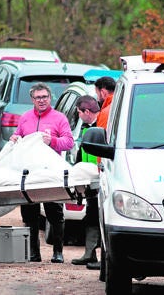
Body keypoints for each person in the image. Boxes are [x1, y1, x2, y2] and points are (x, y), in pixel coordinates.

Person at [9, 82, 73, 263]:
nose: (42, 100)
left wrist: (51, 141)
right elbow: (18, 135)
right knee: (30, 214)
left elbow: (68, 142)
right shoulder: (25, 118)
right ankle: (34, 253)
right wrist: (15, 138)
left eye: (44, 97)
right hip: (29, 173)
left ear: (50, 97)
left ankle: (57, 252)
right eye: (38, 97)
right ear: (32, 99)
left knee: (55, 214)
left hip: (50, 173)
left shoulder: (59, 118)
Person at [85, 76, 116, 271]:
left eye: (97, 93)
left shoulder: (106, 111)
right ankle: (90, 253)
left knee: (100, 215)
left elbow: (101, 144)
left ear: (103, 91)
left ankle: (101, 259)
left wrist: (100, 169)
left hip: (109, 171)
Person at [69, 95, 101, 268]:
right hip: (89, 179)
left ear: (86, 111)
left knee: (98, 217)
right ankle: (90, 253)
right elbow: (82, 152)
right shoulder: (86, 128)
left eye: (79, 113)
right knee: (90, 216)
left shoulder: (102, 124)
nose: (79, 116)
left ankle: (97, 254)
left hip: (100, 179)